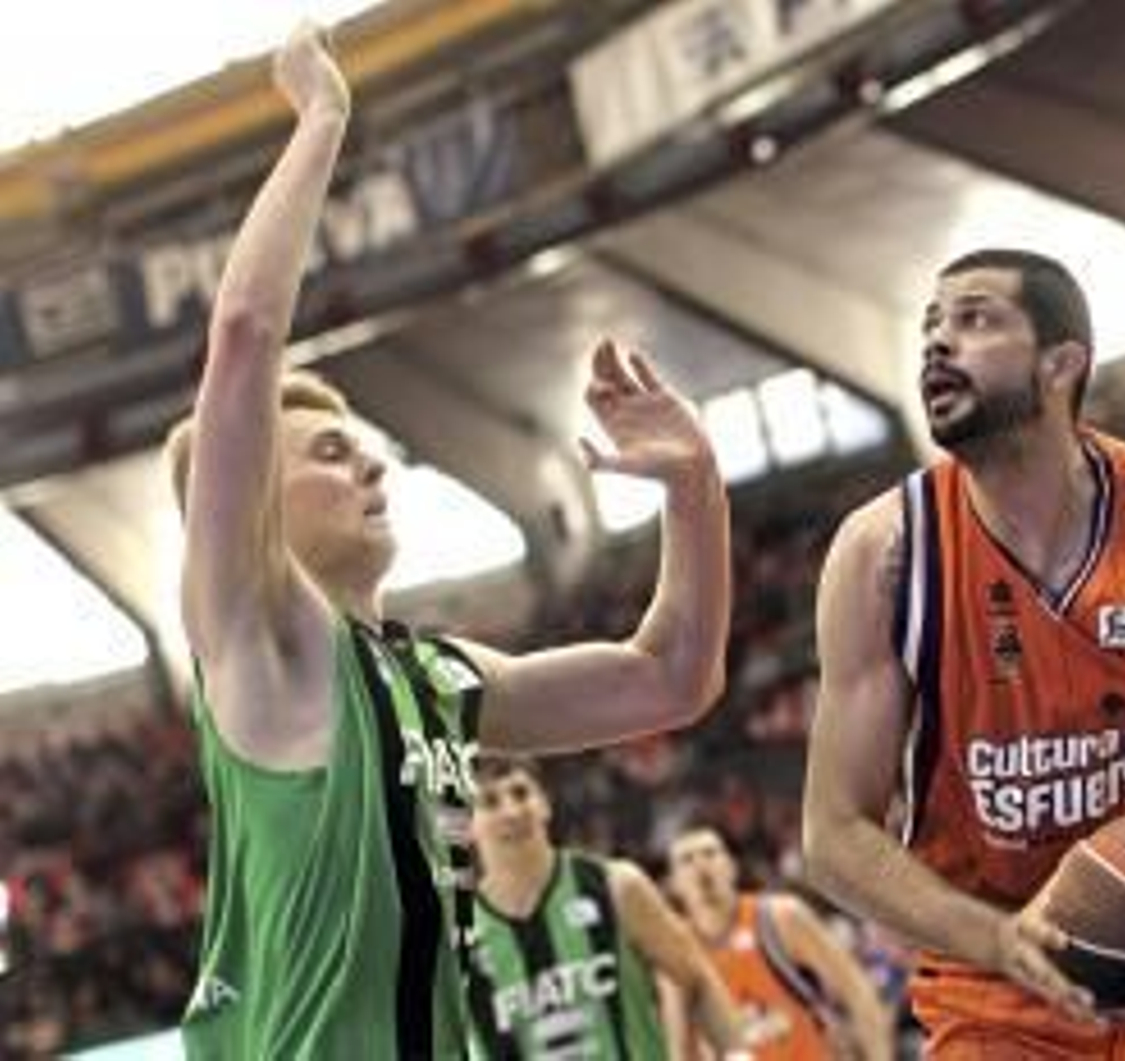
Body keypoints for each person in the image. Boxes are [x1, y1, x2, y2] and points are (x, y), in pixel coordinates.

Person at [166, 24, 730, 1059]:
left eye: (370, 449)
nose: (373, 467)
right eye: (331, 452)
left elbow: (669, 677)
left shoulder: (433, 672)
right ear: (250, 503)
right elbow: (245, 333)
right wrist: (323, 117)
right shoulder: (267, 641)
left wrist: (694, 490)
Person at [801, 249, 1125, 1058]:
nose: (937, 343)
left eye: (974, 318)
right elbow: (834, 833)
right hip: (998, 989)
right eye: (931, 324)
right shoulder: (886, 554)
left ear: (1060, 362)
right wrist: (1000, 937)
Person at [468, 754, 746, 1058]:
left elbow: (698, 980)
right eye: (490, 802)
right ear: (467, 825)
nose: (511, 811)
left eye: (521, 793)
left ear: (545, 804)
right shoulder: (455, 939)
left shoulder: (617, 886)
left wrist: (738, 1055)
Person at [666, 826, 894, 1061]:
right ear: (674, 883)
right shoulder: (679, 952)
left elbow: (858, 992)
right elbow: (679, 1049)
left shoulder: (779, 917)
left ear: (731, 867)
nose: (700, 865)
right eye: (686, 860)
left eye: (710, 853)